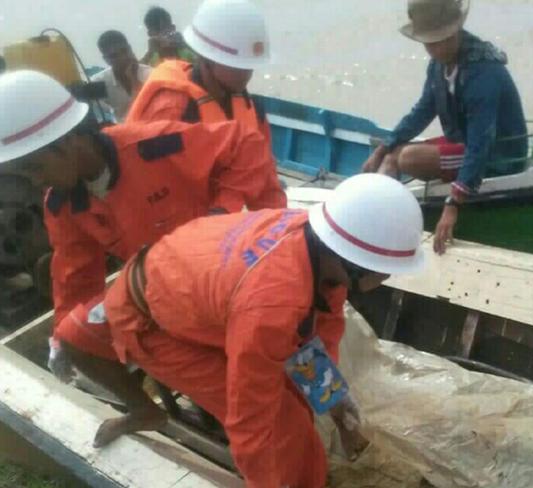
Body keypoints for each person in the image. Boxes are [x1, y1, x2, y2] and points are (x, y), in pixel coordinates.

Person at [57, 173, 426, 487]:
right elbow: (253, 421)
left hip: (192, 292)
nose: (389, 277)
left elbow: (314, 342)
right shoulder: (273, 304)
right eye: (385, 269)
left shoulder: (315, 243)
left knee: (295, 400)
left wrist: (338, 411)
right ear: (353, 262)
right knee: (284, 426)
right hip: (154, 325)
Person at [0, 70, 286, 377]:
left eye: (35, 167)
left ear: (67, 142)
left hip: (227, 273)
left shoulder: (156, 147)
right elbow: (75, 277)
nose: (37, 181)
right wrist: (61, 338)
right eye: (25, 174)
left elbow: (245, 145)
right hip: (173, 294)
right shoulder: (62, 204)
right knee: (90, 332)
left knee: (279, 356)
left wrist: (218, 218)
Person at [362, 0, 528, 254]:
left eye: (438, 41)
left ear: (455, 32)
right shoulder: (439, 66)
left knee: (408, 159)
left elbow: (481, 143)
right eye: (428, 42)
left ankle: (385, 221)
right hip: (464, 142)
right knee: (391, 157)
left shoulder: (483, 72)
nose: (433, 49)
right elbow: (422, 111)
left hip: (498, 154)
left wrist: (453, 204)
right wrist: (384, 146)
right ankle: (380, 218)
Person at [127, 0, 285, 209]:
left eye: (249, 66)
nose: (246, 75)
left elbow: (266, 183)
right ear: (206, 59)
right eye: (237, 66)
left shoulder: (251, 109)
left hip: (220, 221)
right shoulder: (170, 110)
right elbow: (152, 194)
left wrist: (278, 228)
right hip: (178, 225)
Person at [91, 30, 152, 121]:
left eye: (124, 51)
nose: (123, 58)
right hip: (122, 132)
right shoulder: (100, 82)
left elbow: (146, 110)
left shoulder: (150, 74)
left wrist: (134, 80)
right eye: (114, 56)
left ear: (130, 49)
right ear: (106, 60)